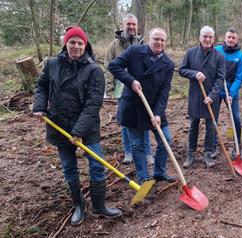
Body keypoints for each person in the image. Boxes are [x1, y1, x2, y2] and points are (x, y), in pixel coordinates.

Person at [33, 26, 121, 226]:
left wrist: (79, 132)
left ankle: (99, 206)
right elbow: (41, 86)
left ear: (85, 45)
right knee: (69, 167)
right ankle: (79, 206)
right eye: (72, 42)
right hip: (58, 125)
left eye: (80, 43)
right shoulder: (52, 64)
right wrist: (39, 106)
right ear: (66, 43)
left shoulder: (94, 70)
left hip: (86, 128)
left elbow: (93, 104)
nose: (76, 46)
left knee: (97, 165)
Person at [108, 28, 177, 184]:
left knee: (166, 139)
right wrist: (130, 81)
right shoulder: (134, 51)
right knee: (138, 145)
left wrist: (158, 113)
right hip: (133, 106)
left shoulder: (168, 64)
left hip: (154, 108)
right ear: (149, 39)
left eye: (162, 40)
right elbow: (114, 66)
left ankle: (159, 172)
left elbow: (165, 92)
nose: (159, 42)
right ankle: (143, 177)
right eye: (156, 39)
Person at [104, 14, 154, 165]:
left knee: (144, 120)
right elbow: (108, 66)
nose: (131, 27)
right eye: (128, 24)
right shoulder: (115, 45)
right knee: (126, 122)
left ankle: (147, 152)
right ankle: (128, 152)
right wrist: (109, 88)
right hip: (121, 88)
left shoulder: (143, 42)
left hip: (141, 87)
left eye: (134, 24)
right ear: (123, 25)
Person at [179, 25, 225, 168]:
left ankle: (207, 153)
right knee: (193, 125)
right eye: (204, 36)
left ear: (213, 39)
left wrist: (212, 95)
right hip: (195, 96)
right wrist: (194, 74)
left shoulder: (219, 56)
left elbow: (220, 78)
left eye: (210, 37)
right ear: (200, 37)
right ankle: (190, 154)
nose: (207, 39)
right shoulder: (191, 53)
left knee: (210, 127)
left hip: (212, 98)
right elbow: (181, 70)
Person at [212, 28, 242, 159]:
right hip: (216, 90)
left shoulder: (241, 56)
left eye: (234, 38)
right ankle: (213, 146)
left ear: (237, 40)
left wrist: (231, 93)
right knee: (212, 118)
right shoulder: (216, 51)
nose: (231, 40)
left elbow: (239, 77)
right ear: (225, 38)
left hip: (231, 91)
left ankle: (237, 146)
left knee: (236, 119)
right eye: (229, 37)